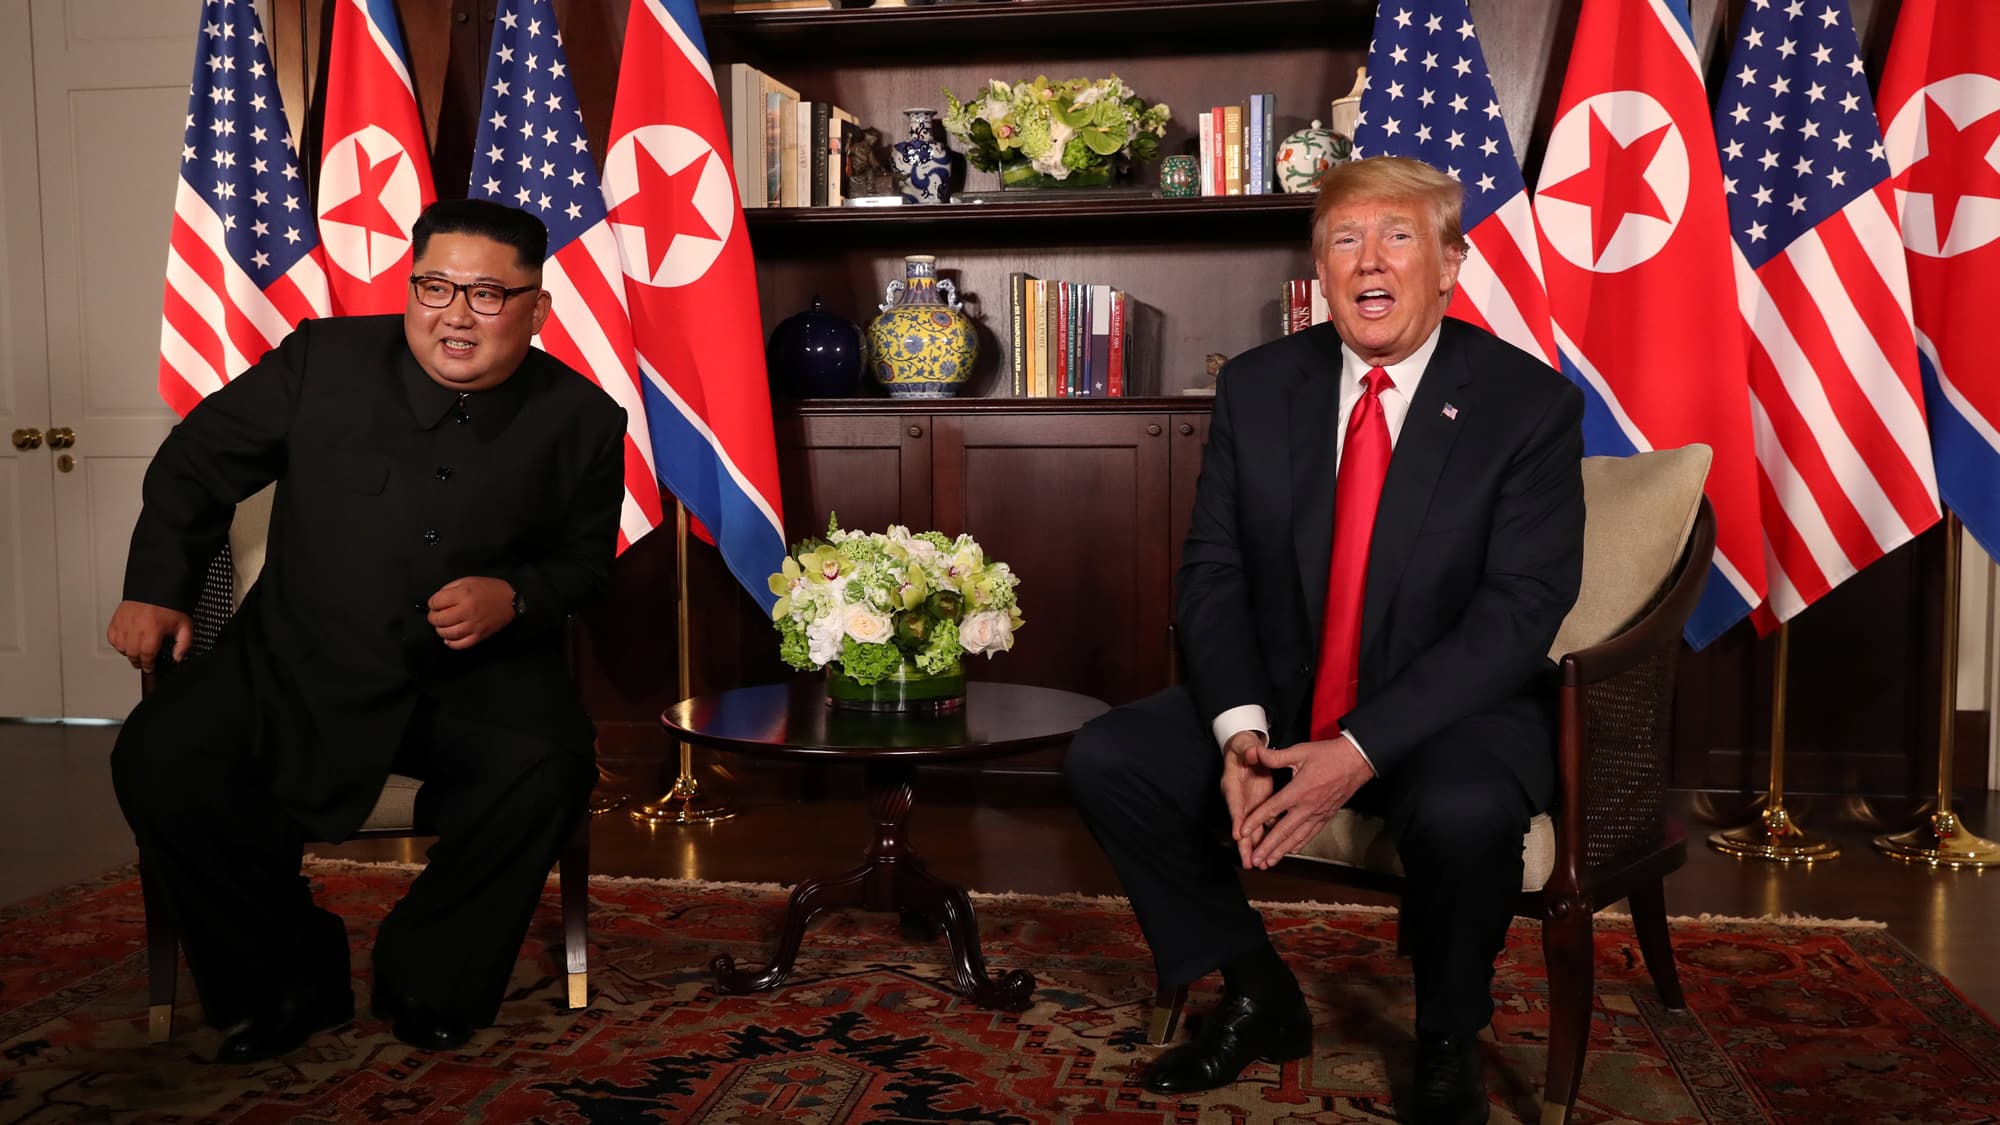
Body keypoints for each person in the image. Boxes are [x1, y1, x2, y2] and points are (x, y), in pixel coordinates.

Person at [1065, 157, 1585, 1124]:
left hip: (1453, 711)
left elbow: (1519, 609)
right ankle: (1257, 990)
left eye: (1397, 238)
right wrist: (1240, 733)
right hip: (1290, 694)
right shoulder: (1262, 386)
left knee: (1467, 812)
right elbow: (1212, 570)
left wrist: (1359, 749)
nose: (1369, 260)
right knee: (1111, 758)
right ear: (1320, 270)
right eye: (1345, 240)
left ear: (1449, 265)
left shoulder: (1528, 404)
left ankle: (1445, 1042)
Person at [108, 199, 626, 1063]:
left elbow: (585, 565)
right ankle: (284, 980)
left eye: (488, 295)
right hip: (299, 653)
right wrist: (159, 589)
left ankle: (428, 975)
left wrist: (516, 595)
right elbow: (195, 464)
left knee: (549, 763)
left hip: (468, 674)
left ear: (539, 309)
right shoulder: (323, 360)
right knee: (160, 757)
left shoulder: (585, 417)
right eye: (435, 285)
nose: (455, 313)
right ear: (410, 283)